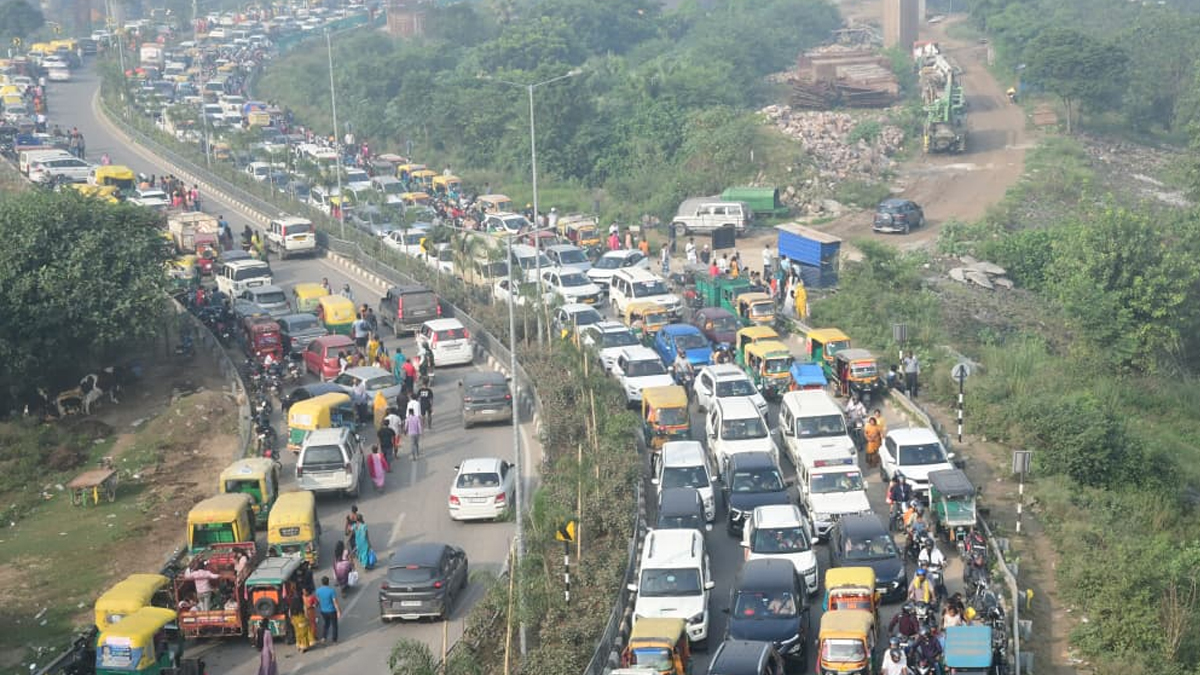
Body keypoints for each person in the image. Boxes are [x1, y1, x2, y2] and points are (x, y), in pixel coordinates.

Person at [314, 577, 341, 643]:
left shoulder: (318, 591)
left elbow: (317, 600)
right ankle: (334, 639)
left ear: (322, 582)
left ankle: (324, 637)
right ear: (328, 582)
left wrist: (315, 606)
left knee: (326, 624)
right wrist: (338, 611)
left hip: (323, 611)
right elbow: (335, 602)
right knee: (334, 625)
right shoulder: (331, 591)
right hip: (331, 611)